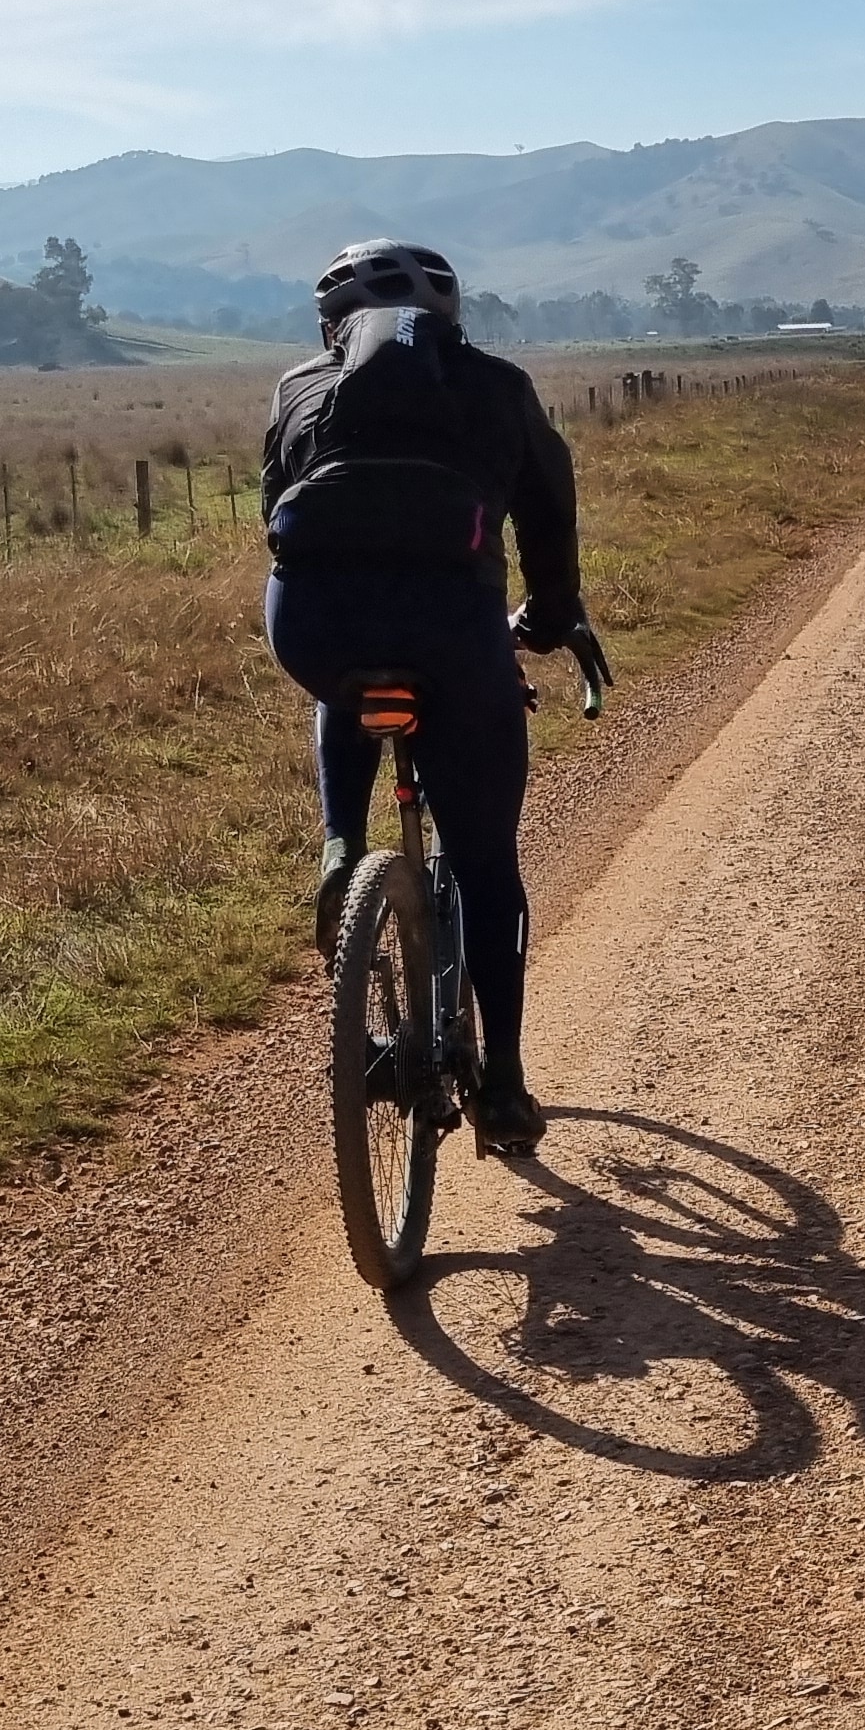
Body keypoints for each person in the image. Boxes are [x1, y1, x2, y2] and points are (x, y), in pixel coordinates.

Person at [259, 239, 588, 1159]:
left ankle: (340, 847)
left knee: (347, 679)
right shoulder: (499, 385)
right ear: (452, 316)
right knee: (486, 865)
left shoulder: (297, 388)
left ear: (331, 330)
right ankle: (508, 1087)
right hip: (456, 634)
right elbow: (549, 512)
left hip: (314, 630)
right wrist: (554, 617)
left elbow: (272, 509)